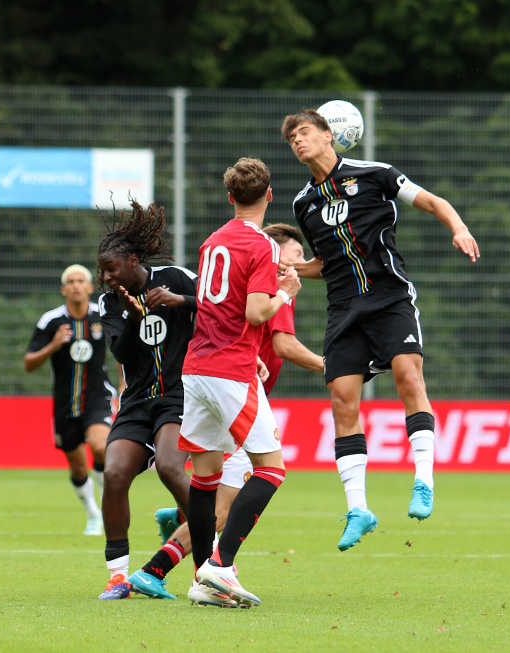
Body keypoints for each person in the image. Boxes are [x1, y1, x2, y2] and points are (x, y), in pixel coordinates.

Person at [280, 108, 480, 551]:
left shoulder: (375, 174)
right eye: (292, 136)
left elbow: (432, 201)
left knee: (409, 378)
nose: (298, 140)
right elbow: (324, 263)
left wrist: (458, 227)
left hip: (390, 298)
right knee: (342, 401)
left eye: (305, 131)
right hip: (343, 309)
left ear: (330, 135)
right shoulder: (302, 203)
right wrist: (289, 268)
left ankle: (424, 481)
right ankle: (359, 509)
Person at [154, 223, 324, 558]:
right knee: (248, 488)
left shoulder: (219, 249)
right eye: (296, 252)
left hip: (207, 374)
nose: (300, 261)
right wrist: (327, 364)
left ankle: (194, 561)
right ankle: (193, 569)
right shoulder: (275, 285)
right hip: (234, 386)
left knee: (207, 484)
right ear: (275, 250)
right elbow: (284, 343)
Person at [179, 157, 302, 608]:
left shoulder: (212, 241)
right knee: (271, 468)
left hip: (197, 367)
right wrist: (286, 293)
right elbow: (255, 312)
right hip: (231, 369)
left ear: (230, 197)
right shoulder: (264, 245)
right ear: (270, 196)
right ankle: (220, 565)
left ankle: (199, 578)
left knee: (206, 476)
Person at [94, 201, 199, 601]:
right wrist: (135, 316)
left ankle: (208, 567)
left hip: (180, 395)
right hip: (137, 402)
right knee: (114, 473)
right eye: (102, 270)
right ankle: (117, 577)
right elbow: (120, 353)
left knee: (172, 469)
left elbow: (220, 307)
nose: (104, 276)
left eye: (111, 268)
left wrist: (179, 301)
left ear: (133, 260)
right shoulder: (109, 303)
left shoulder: (176, 278)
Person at [24, 264, 118, 537]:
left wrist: (124, 383)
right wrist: (53, 345)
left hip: (98, 397)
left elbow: (124, 347)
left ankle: (105, 500)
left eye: (81, 281)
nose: (76, 285)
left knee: (102, 447)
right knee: (77, 465)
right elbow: (29, 363)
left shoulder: (103, 315)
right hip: (65, 403)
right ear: (64, 289)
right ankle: (92, 513)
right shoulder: (50, 321)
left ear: (90, 287)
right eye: (71, 282)